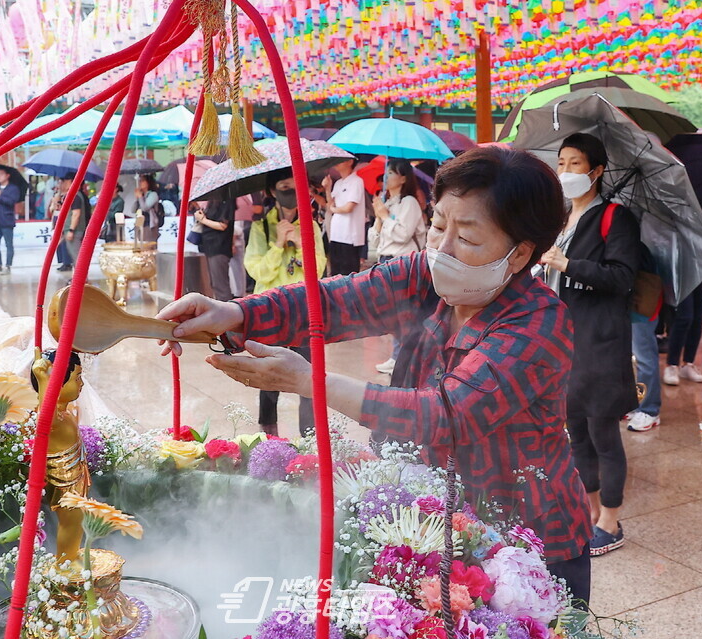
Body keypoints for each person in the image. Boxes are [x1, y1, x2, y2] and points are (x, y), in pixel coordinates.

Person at [158, 147, 593, 605]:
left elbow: (447, 414)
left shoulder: (539, 323)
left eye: (466, 238)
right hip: (442, 522)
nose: (442, 250)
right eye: (439, 226)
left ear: (520, 253)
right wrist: (233, 312)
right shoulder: (424, 277)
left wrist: (311, 382)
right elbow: (335, 301)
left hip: (531, 535)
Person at [540, 133, 641, 557]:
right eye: (561, 162)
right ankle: (592, 511)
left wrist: (567, 263)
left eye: (575, 163)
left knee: (603, 433)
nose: (566, 171)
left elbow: (622, 277)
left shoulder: (615, 218)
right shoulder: (561, 219)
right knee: (575, 431)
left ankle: (612, 523)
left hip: (599, 343)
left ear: (596, 171)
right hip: (564, 344)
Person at [242, 168, 326, 436]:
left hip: (303, 313)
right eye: (284, 187)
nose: (290, 193)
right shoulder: (259, 228)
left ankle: (310, 438)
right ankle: (269, 436)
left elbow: (319, 270)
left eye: (295, 186)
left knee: (309, 378)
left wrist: (300, 245)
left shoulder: (310, 226)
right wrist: (278, 244)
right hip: (269, 313)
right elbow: (258, 272)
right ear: (271, 192)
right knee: (268, 378)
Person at [367, 159, 427, 376]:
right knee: (393, 313)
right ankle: (398, 355)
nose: (387, 177)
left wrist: (384, 216)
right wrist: (379, 217)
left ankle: (402, 357)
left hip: (403, 262)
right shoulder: (388, 203)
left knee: (404, 313)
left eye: (391, 172)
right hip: (385, 261)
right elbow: (375, 240)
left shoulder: (409, 202)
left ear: (403, 178)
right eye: (386, 172)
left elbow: (403, 234)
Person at [31, 348, 89, 564]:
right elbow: (45, 414)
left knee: (78, 519)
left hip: (76, 476)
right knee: (71, 521)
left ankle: (71, 555)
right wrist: (43, 379)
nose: (81, 383)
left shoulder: (64, 412)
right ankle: (65, 563)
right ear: (58, 383)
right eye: (77, 377)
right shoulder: (51, 417)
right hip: (64, 481)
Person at [322, 158, 366, 275]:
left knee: (348, 272)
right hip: (336, 233)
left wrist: (334, 209)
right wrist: (327, 188)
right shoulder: (338, 183)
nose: (337, 162)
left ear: (350, 162)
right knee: (336, 271)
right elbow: (330, 203)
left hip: (350, 235)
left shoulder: (356, 181)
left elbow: (349, 207)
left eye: (341, 160)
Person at [662, 285, 702, 386]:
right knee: (684, 317)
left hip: (699, 273)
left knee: (698, 317)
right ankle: (671, 364)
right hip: (680, 274)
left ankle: (688, 363)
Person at [195, 198, 236, 302]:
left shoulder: (227, 200)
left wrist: (203, 220)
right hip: (209, 246)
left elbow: (222, 225)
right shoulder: (213, 201)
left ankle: (227, 313)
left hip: (219, 246)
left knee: (220, 284)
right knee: (215, 283)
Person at [0, 168, 20, 274]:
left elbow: (11, 201)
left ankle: (8, 265)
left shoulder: (13, 188)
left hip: (7, 220)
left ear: (7, 175)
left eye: (1, 174)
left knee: (9, 244)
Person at [59, 175, 91, 264]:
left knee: (76, 254)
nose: (64, 183)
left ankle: (81, 276)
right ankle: (77, 275)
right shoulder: (71, 195)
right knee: (74, 254)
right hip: (71, 229)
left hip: (75, 230)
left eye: (66, 181)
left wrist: (71, 230)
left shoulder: (75, 196)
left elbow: (76, 214)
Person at [133, 175, 162, 242]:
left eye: (143, 181)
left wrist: (140, 197)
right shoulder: (142, 195)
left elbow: (145, 208)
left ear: (148, 183)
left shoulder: (153, 195)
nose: (140, 183)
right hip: (141, 224)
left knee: (149, 246)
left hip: (149, 224)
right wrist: (137, 199)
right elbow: (133, 209)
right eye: (140, 181)